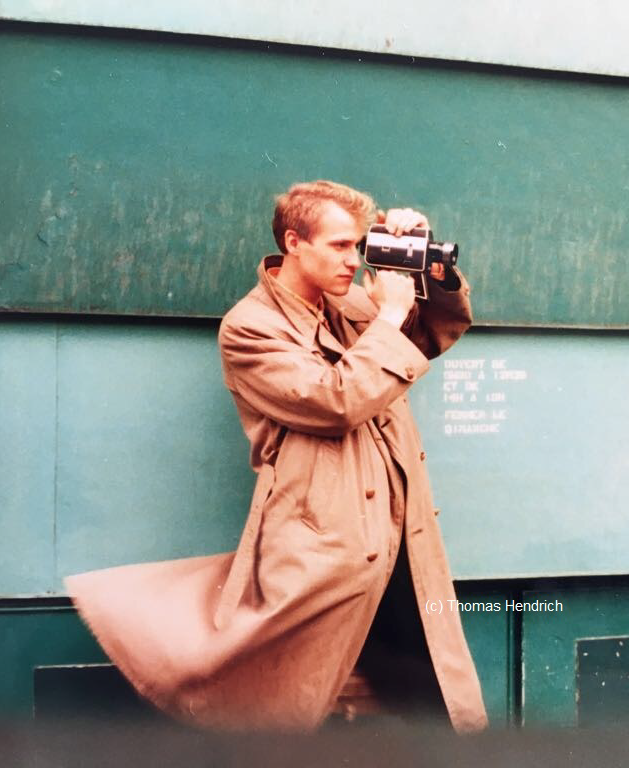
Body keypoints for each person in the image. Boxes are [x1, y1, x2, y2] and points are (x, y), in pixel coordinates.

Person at [65, 180, 488, 733]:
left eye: (360, 245)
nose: (354, 260)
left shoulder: (350, 305)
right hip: (324, 547)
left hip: (397, 538)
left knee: (415, 698)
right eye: (340, 246)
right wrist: (386, 320)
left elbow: (431, 333)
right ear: (294, 242)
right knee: (300, 699)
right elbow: (335, 401)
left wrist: (424, 261)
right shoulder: (250, 327)